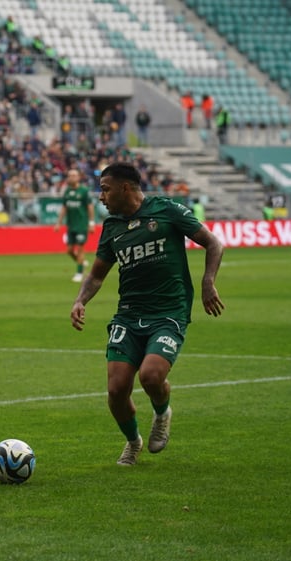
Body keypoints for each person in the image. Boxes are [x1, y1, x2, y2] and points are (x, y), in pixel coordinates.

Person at [69, 161, 224, 466]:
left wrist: (208, 282)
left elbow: (213, 243)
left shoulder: (167, 211)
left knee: (151, 376)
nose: (100, 197)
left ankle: (162, 411)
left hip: (168, 311)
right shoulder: (112, 227)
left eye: (105, 189)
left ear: (125, 188)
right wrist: (80, 301)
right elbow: (98, 275)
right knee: (116, 389)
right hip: (128, 315)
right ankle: (132, 441)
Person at [55, 168, 95, 282]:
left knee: (81, 249)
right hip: (71, 225)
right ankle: (81, 262)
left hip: (82, 225)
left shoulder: (84, 191)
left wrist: (91, 223)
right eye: (69, 175)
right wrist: (58, 222)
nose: (71, 177)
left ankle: (79, 273)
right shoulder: (67, 191)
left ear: (78, 177)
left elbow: (90, 207)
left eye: (73, 175)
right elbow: (64, 207)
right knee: (69, 250)